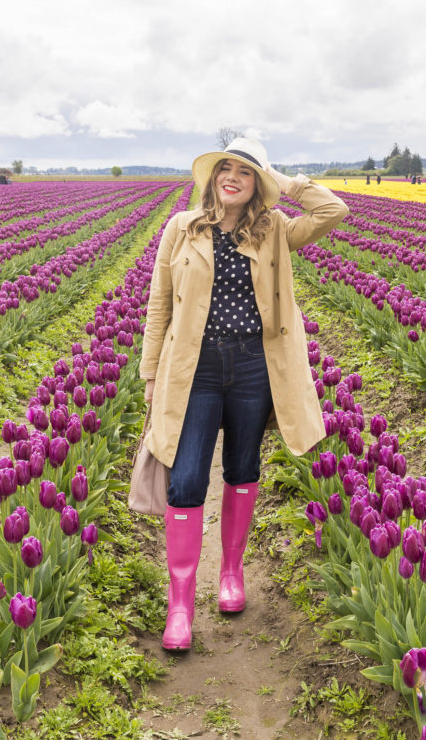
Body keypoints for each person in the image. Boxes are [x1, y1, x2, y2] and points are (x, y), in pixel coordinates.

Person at [140, 137, 347, 651]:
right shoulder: (181, 229)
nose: (232, 176)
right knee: (185, 479)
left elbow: (333, 209)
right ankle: (181, 604)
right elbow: (158, 304)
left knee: (242, 466)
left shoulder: (273, 229)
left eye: (246, 172)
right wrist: (150, 377)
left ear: (259, 185)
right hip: (196, 369)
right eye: (226, 168)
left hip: (255, 366)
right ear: (212, 177)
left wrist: (286, 180)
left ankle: (231, 573)